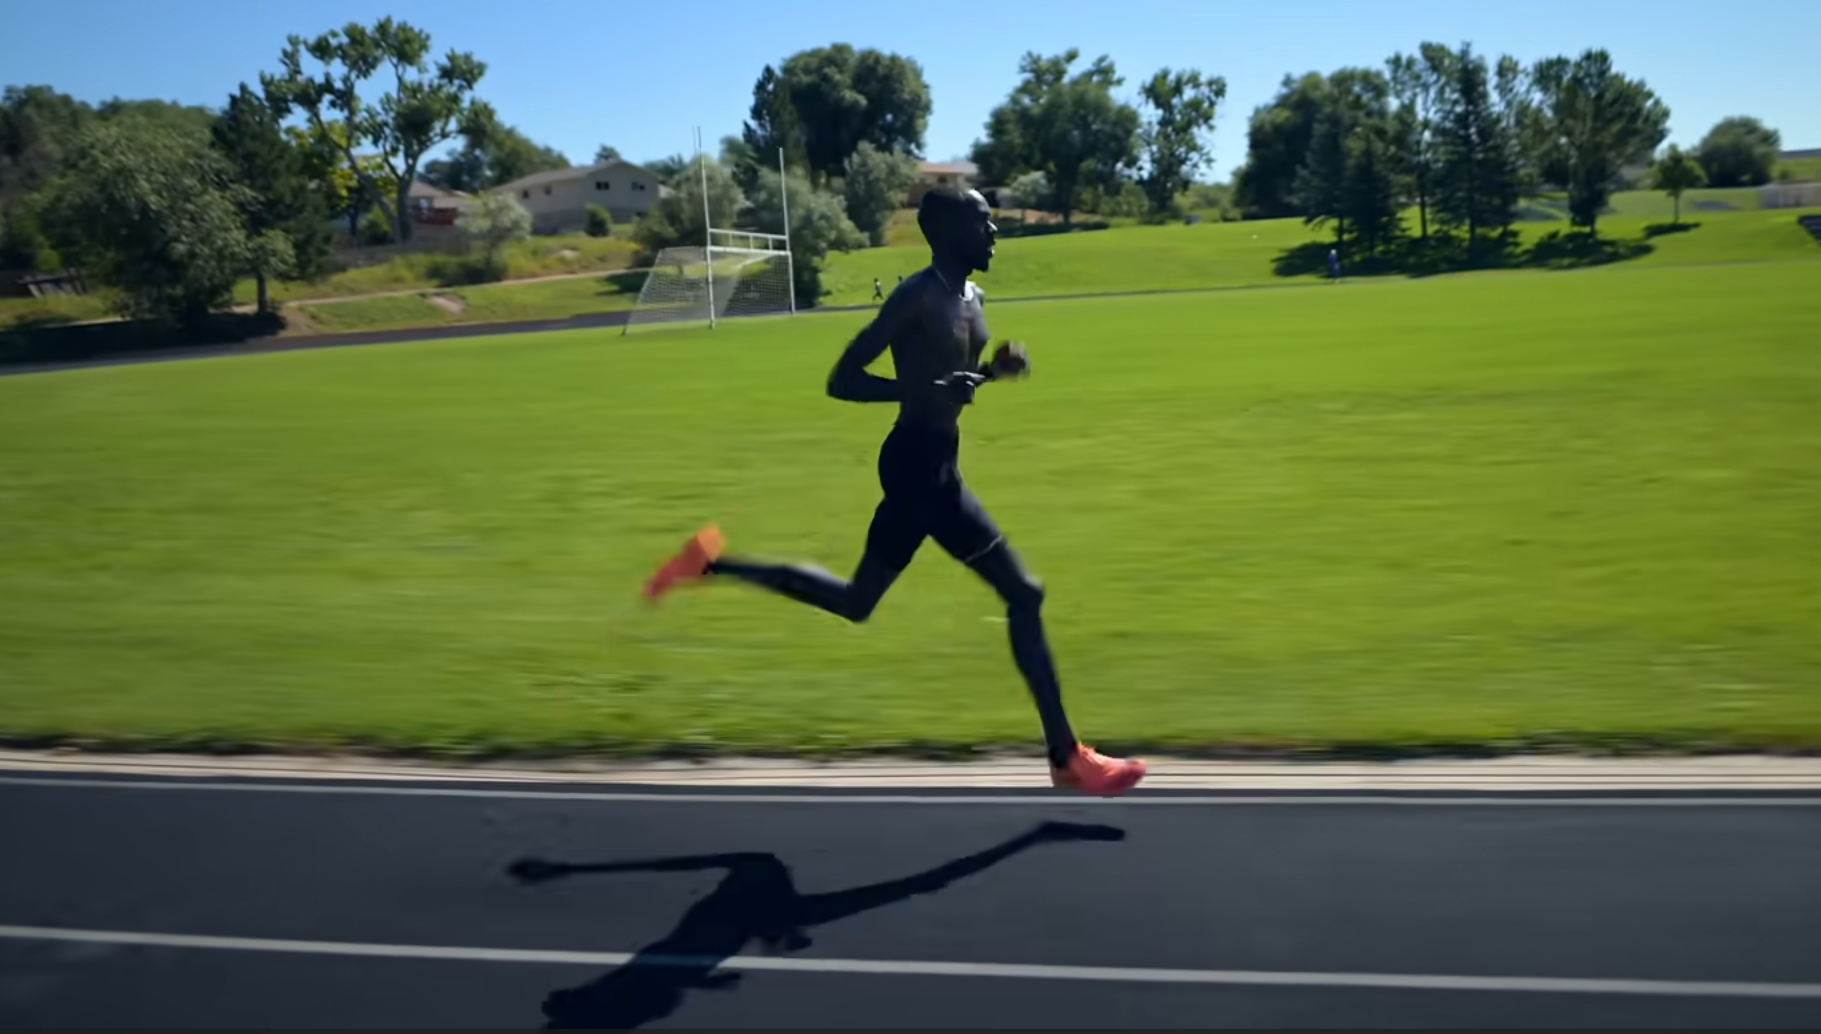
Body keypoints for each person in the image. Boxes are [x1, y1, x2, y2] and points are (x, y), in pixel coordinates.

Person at [644, 187, 1146, 797]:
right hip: (916, 467)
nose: (994, 232)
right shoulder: (915, 296)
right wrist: (922, 390)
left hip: (937, 464)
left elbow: (952, 383)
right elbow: (843, 380)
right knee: (1024, 593)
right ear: (950, 231)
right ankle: (1067, 757)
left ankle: (709, 564)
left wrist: (992, 372)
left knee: (857, 601)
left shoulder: (975, 297)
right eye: (983, 222)